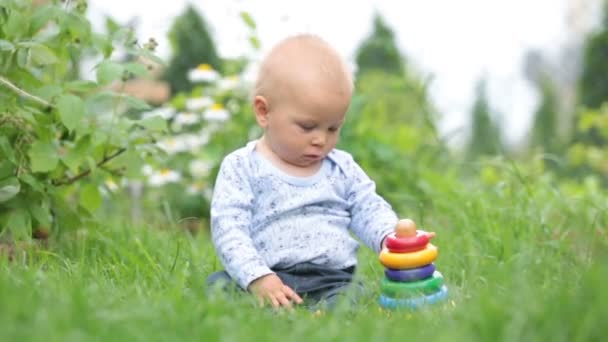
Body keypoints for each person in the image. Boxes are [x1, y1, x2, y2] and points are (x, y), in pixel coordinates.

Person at [207, 34, 399, 310]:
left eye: (333, 128)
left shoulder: (341, 168)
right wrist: (257, 277)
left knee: (347, 296)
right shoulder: (242, 166)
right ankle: (270, 304)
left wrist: (389, 238)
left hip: (330, 277)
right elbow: (229, 228)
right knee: (220, 285)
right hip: (268, 272)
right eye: (307, 127)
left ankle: (325, 313)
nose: (321, 140)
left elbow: (368, 207)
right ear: (264, 112)